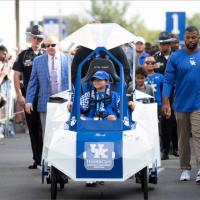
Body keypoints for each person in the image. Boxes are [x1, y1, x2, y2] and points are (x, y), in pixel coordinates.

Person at [162, 25, 200, 183]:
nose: (190, 40)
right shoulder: (176, 57)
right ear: (184, 38)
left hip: (198, 104)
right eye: (188, 37)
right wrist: (166, 102)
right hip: (180, 103)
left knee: (198, 136)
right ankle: (185, 168)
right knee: (183, 138)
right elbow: (168, 80)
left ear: (198, 37)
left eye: (194, 37)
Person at [13, 25, 44, 169]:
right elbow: (16, 75)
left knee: (44, 128)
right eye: (34, 37)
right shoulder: (24, 55)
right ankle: (37, 159)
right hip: (29, 98)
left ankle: (47, 159)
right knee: (32, 128)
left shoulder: (47, 53)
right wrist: (19, 95)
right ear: (30, 38)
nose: (37, 40)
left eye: (39, 38)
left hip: (44, 97)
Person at [25, 35, 69, 137]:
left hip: (65, 103)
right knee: (47, 135)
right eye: (47, 45)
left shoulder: (69, 59)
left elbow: (75, 82)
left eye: (53, 45)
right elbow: (33, 82)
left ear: (58, 45)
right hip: (45, 103)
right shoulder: (38, 61)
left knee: (64, 135)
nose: (50, 47)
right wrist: (28, 101)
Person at [154, 31, 178, 160]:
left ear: (169, 44)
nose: (162, 46)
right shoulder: (156, 58)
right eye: (161, 44)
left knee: (176, 120)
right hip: (163, 93)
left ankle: (176, 147)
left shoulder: (177, 56)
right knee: (164, 121)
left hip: (177, 92)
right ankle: (165, 150)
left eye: (165, 44)